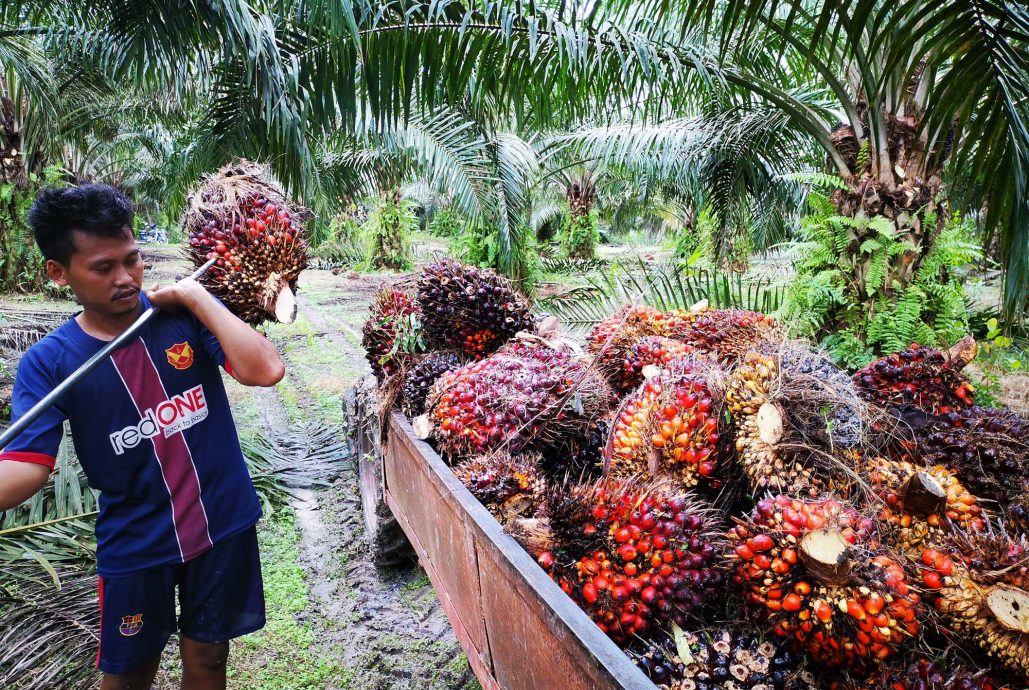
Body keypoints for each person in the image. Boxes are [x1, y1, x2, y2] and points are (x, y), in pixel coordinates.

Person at [0, 184, 285, 690]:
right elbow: (27, 466)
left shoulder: (180, 318)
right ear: (58, 272)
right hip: (136, 542)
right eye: (103, 268)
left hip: (222, 521)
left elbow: (264, 370)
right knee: (128, 676)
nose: (126, 278)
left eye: (132, 260)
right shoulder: (49, 362)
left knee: (210, 659)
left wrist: (197, 298)